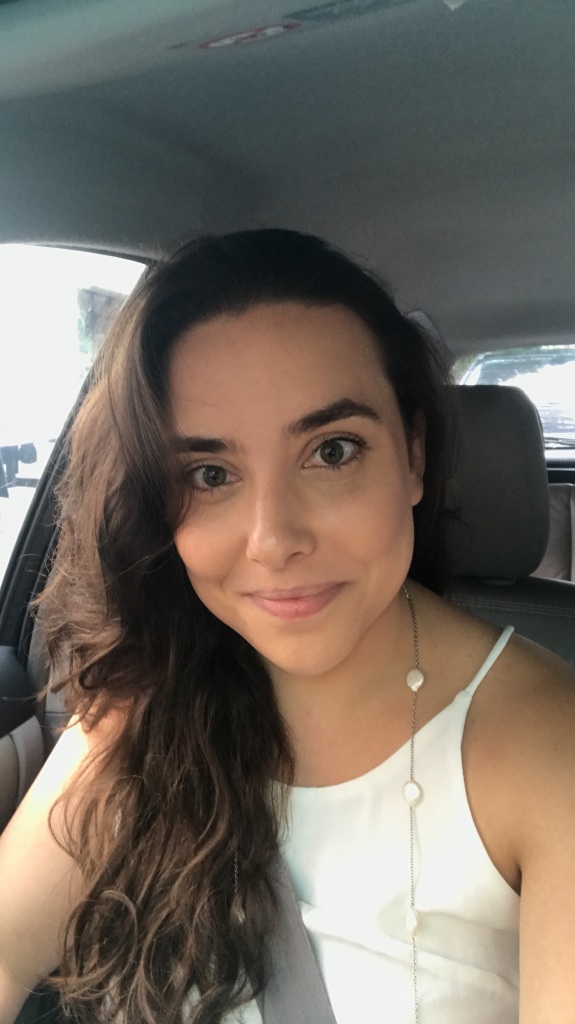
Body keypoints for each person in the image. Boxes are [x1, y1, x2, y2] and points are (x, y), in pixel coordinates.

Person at [0, 229, 574, 1024]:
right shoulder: (146, 707)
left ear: (411, 455)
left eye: (331, 451)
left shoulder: (547, 749)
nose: (272, 540)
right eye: (210, 474)